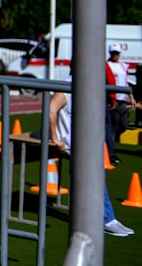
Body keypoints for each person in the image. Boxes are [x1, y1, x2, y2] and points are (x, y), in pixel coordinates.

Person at [49, 89, 135, 237]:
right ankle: (107, 220)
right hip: (70, 143)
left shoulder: (87, 86)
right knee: (95, 176)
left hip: (82, 141)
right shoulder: (67, 89)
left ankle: (97, 217)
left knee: (90, 177)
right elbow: (51, 110)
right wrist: (55, 138)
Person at [105, 46, 136, 165]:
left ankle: (110, 145)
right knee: (113, 125)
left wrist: (131, 97)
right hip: (113, 99)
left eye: (116, 53)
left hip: (122, 99)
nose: (114, 55)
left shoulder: (124, 66)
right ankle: (109, 151)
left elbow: (125, 82)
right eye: (113, 53)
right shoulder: (108, 65)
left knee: (123, 125)